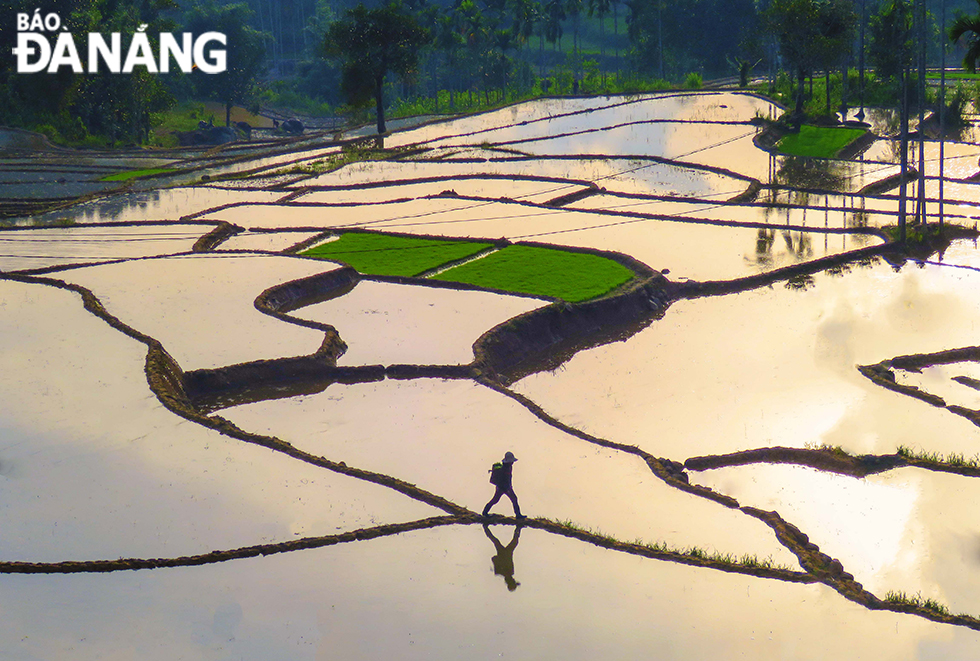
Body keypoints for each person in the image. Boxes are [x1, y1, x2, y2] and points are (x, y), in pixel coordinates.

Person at [483, 451, 526, 519]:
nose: (512, 462)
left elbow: (508, 478)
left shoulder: (509, 467)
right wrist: (507, 488)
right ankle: (518, 515)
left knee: (497, 500)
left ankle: (485, 512)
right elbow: (504, 479)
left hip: (505, 487)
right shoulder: (504, 468)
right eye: (511, 461)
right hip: (503, 487)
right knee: (510, 499)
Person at [483, 523, 522, 591]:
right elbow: (494, 559)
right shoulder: (502, 572)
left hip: (506, 552)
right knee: (496, 541)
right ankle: (485, 528)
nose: (514, 579)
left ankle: (519, 527)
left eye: (513, 581)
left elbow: (495, 559)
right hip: (507, 552)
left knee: (498, 541)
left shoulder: (507, 572)